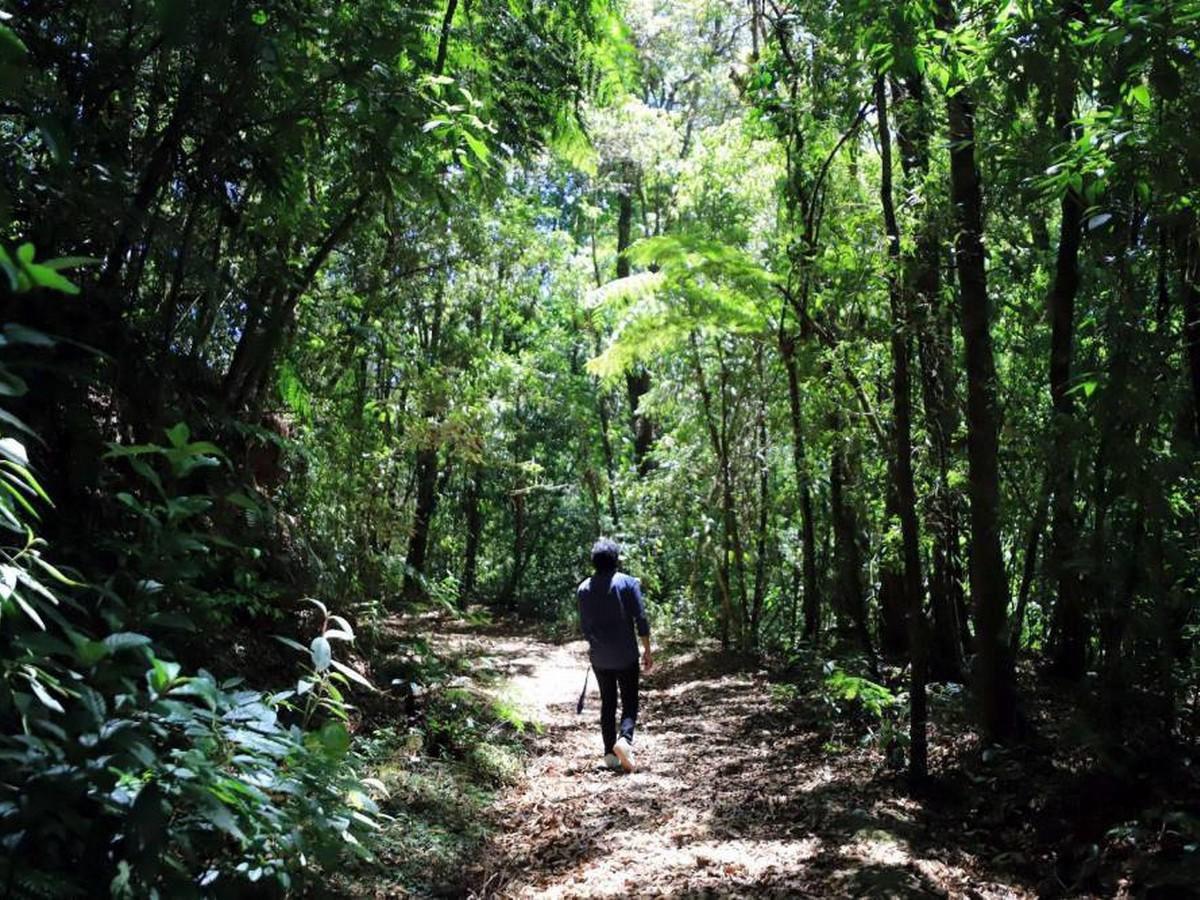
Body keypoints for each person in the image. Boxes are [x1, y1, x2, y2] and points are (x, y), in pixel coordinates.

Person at [576, 538, 653, 773]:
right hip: (626, 655)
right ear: (616, 559)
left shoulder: (583, 588)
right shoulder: (627, 583)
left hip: (599, 657)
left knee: (608, 702)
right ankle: (625, 740)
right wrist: (647, 649)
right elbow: (641, 619)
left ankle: (610, 754)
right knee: (629, 700)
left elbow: (585, 626)